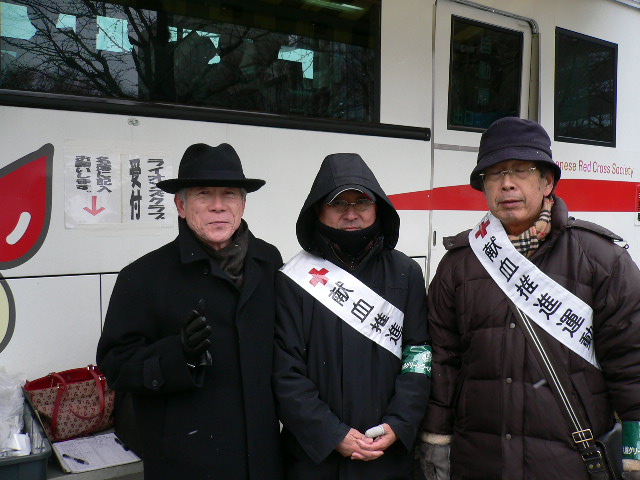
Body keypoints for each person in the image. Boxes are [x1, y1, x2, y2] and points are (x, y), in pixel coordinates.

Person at [417, 117, 640, 479]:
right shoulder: (458, 264)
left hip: (569, 464)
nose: (507, 183)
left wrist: (635, 453)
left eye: (521, 170)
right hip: (479, 461)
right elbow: (444, 361)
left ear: (547, 182)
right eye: (494, 173)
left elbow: (630, 360)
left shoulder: (601, 259)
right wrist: (435, 442)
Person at [96, 143, 283, 480]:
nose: (217, 206)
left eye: (229, 194)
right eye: (203, 194)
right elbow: (116, 366)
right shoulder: (142, 276)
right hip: (185, 462)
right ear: (181, 205)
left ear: (243, 204)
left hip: (262, 457)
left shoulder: (268, 261)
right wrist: (178, 355)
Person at [273, 152, 431, 479]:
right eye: (338, 204)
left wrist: (399, 423)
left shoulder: (406, 273)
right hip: (314, 461)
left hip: (387, 457)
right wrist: (331, 434)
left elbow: (418, 354)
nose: (350, 213)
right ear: (318, 209)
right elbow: (285, 370)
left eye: (361, 202)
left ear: (377, 207)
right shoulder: (293, 278)